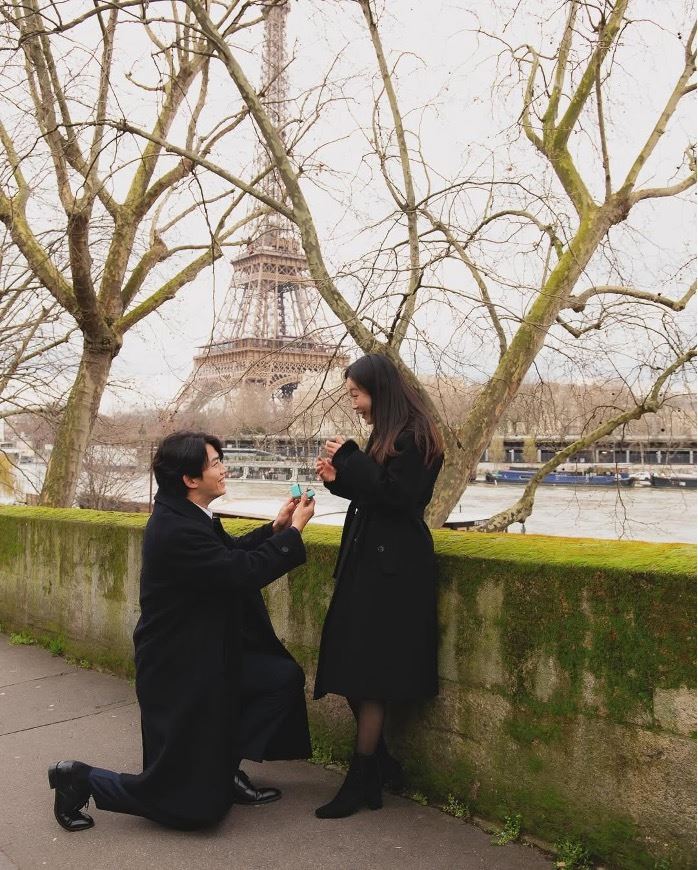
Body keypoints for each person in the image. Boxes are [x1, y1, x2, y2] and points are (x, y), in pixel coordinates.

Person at [48, 431, 315, 832]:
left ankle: (221, 769)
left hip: (207, 654)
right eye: (214, 463)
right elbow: (237, 573)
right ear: (190, 479)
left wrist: (275, 529)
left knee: (280, 678)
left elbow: (226, 556)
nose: (223, 468)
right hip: (179, 667)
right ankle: (79, 778)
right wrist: (294, 535)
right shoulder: (176, 528)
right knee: (190, 808)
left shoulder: (190, 515)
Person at [313, 354, 444, 819]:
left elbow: (399, 498)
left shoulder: (417, 435)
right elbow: (377, 493)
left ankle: (362, 776)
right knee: (353, 666)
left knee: (369, 676)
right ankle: (379, 763)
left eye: (355, 393)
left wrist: (348, 456)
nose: (352, 403)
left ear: (380, 389)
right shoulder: (392, 432)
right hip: (371, 564)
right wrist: (338, 480)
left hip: (395, 573)